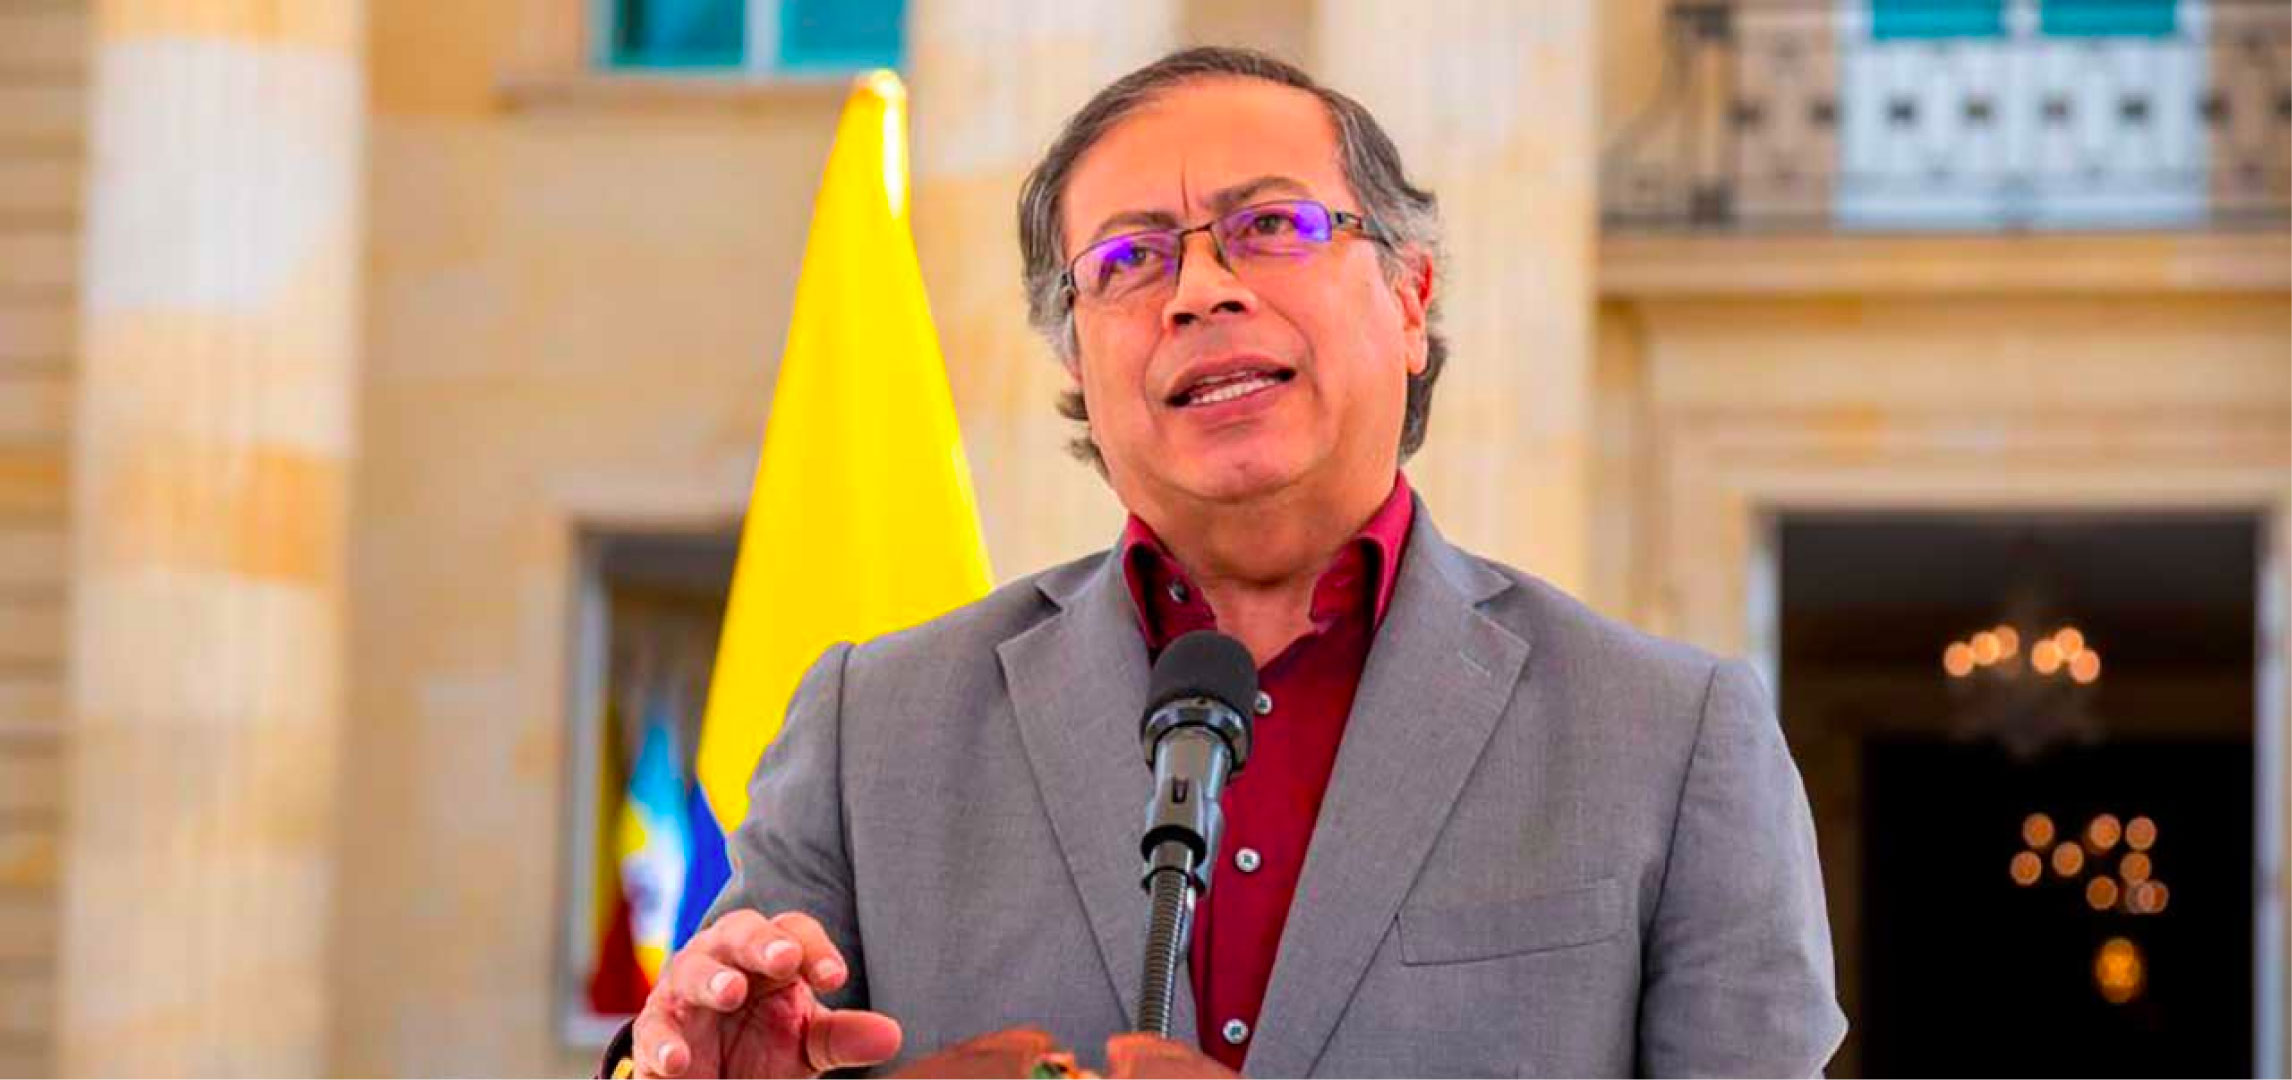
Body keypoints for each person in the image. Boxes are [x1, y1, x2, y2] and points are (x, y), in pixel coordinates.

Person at [610, 46, 1847, 1079]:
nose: (1199, 290)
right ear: (1078, 361)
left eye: (1271, 226)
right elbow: (723, 1036)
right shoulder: (873, 725)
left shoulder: (1671, 737)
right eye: (1129, 261)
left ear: (1409, 300)